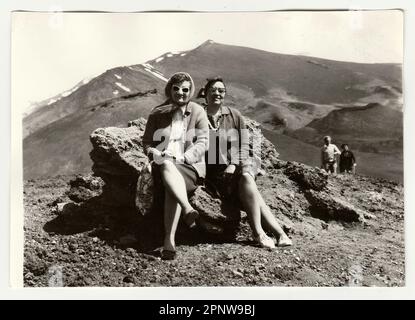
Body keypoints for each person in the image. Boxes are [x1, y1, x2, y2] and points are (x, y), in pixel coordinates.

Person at [199, 77, 292, 249]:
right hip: (215, 175)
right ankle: (280, 234)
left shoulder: (234, 115)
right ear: (205, 93)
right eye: (213, 90)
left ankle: (259, 233)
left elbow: (244, 145)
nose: (217, 93)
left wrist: (233, 164)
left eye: (221, 90)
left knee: (247, 177)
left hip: (239, 165)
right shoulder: (198, 116)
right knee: (253, 193)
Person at [142, 72, 209, 260]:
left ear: (191, 91)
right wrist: (154, 153)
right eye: (176, 89)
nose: (181, 93)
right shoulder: (157, 112)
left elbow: (204, 142)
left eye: (185, 90)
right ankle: (187, 209)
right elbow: (147, 142)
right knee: (166, 165)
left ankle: (169, 240)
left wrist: (185, 157)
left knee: (170, 173)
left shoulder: (197, 111)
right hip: (163, 162)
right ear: (169, 89)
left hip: (189, 166)